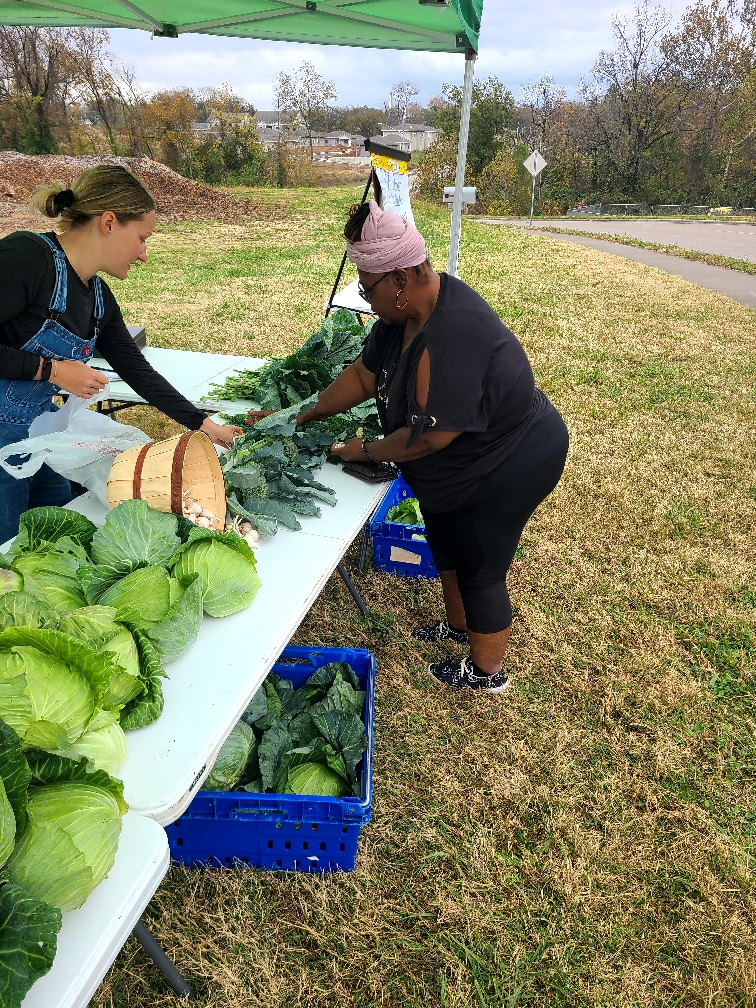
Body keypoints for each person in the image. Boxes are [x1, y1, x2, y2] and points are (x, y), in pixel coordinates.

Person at [248, 199, 569, 693]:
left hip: (515, 457)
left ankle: (487, 673)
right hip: (461, 457)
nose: (364, 296)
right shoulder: (400, 318)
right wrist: (300, 413)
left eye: (367, 285)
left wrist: (365, 449)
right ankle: (457, 627)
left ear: (399, 278)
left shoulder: (455, 333)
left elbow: (429, 439)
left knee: (480, 559)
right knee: (445, 536)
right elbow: (361, 375)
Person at [0, 165, 242, 542]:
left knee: (56, 513)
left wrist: (203, 424)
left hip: (32, 435)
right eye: (142, 238)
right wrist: (52, 371)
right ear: (109, 222)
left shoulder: (98, 299)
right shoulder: (28, 257)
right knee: (8, 543)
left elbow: (137, 371)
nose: (144, 255)